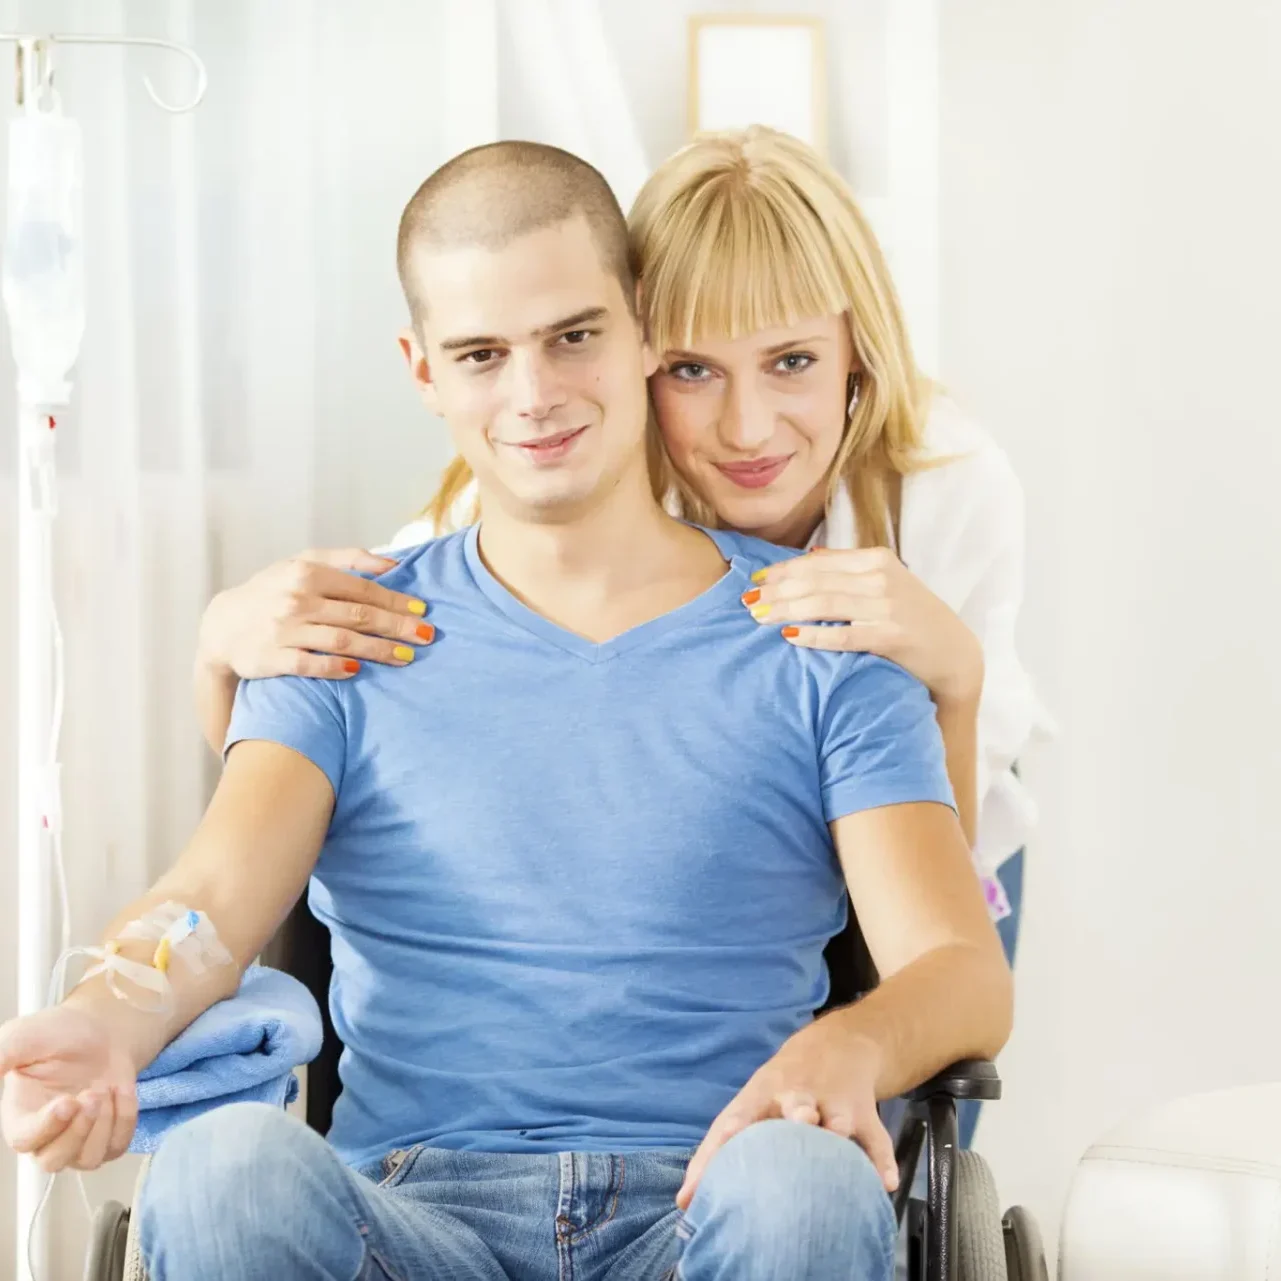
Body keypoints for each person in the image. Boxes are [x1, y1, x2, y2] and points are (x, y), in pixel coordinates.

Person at [0, 142, 1011, 1281]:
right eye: (482, 354)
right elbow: (204, 908)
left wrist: (850, 1048)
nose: (533, 395)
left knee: (806, 1183)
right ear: (424, 370)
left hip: (711, 1196)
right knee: (217, 1169)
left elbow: (961, 968)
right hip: (413, 1210)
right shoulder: (343, 636)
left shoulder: (829, 639)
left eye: (573, 337)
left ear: (640, 332)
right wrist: (105, 1013)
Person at [195, 126, 1048, 1146]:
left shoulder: (948, 482)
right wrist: (217, 644)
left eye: (791, 362)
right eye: (693, 369)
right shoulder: (552, 482)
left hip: (944, 821)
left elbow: (923, 901)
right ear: (641, 352)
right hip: (674, 906)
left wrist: (952, 681)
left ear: (857, 350)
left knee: (904, 1111)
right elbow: (328, 723)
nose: (745, 428)